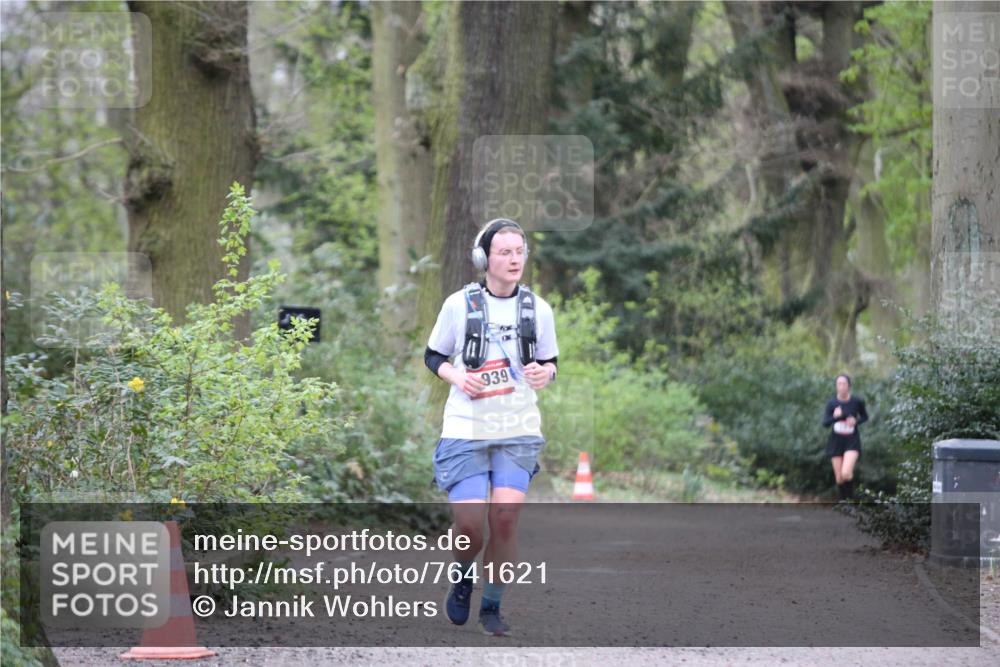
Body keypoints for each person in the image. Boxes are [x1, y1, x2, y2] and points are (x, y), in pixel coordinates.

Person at [424, 218, 558, 637]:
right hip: (466, 427)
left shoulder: (539, 309)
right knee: (468, 526)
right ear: (484, 258)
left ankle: (493, 606)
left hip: (518, 427)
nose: (514, 259)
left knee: (504, 518)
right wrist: (457, 377)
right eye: (504, 252)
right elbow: (432, 356)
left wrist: (545, 375)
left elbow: (551, 362)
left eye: (519, 251)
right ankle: (463, 577)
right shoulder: (457, 305)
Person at [822, 373, 869, 501]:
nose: (841, 386)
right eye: (839, 384)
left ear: (849, 386)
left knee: (846, 473)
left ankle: (851, 502)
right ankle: (845, 503)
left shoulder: (857, 401)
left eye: (844, 384)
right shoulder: (832, 403)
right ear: (836, 386)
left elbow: (865, 417)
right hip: (836, 441)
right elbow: (825, 423)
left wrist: (856, 421)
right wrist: (835, 417)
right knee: (839, 477)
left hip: (852, 440)